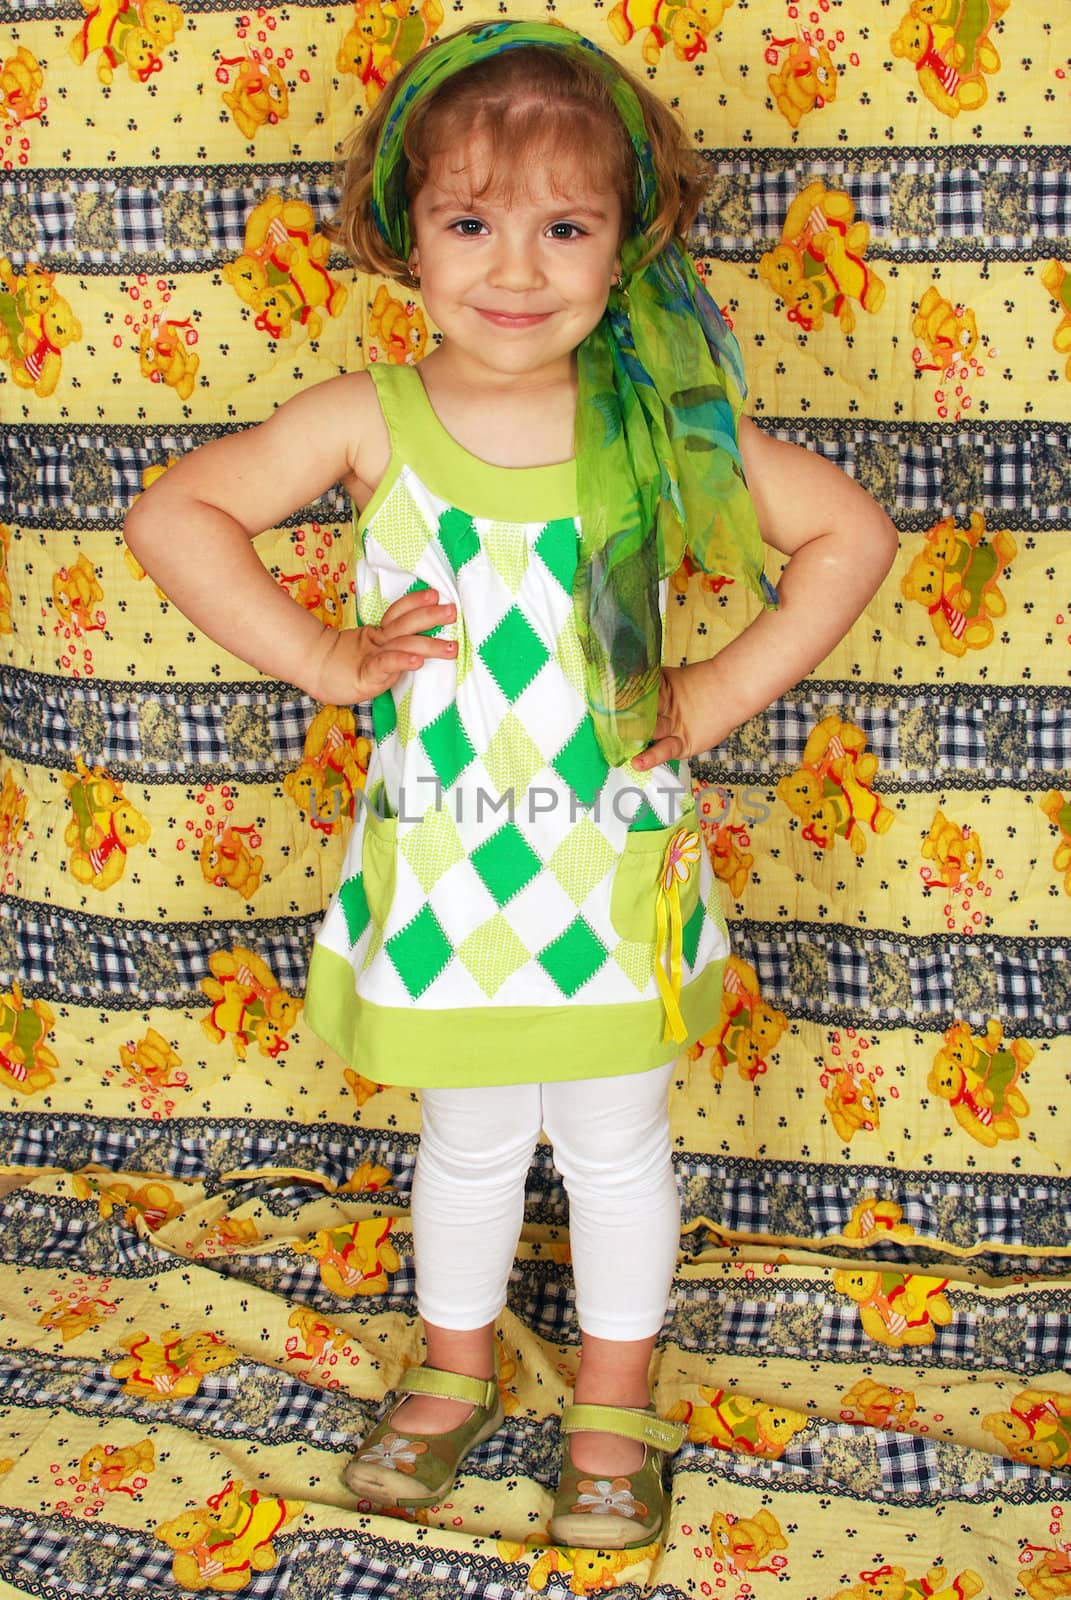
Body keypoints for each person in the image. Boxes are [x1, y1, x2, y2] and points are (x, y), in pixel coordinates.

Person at [124, 18, 897, 1550]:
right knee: (468, 1140)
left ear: (627, 246)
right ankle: (456, 1368)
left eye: (564, 227)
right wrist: (329, 659)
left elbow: (849, 536)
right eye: (471, 223)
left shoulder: (658, 430)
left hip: (609, 877)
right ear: (406, 234)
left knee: (616, 1142)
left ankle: (615, 1395)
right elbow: (178, 516)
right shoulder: (366, 421)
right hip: (446, 882)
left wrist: (723, 687)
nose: (517, 269)